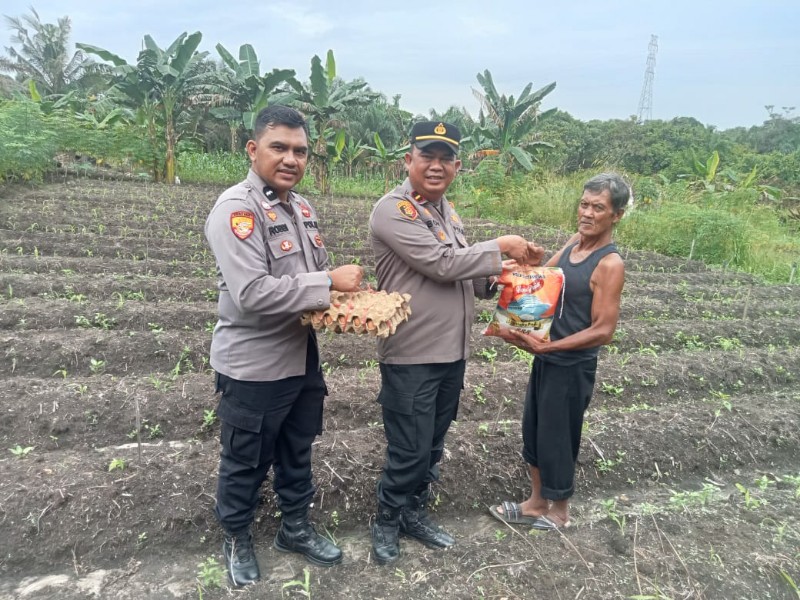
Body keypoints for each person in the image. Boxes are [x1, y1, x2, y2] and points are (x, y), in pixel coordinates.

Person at [368, 121, 544, 564]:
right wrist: (500, 245)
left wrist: (507, 277)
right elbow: (443, 264)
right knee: (408, 447)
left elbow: (468, 278)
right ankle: (387, 518)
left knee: (430, 446)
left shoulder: (449, 213)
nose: (436, 165)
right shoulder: (393, 211)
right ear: (407, 160)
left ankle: (414, 512)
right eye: (426, 155)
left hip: (451, 353)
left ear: (458, 166)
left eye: (445, 158)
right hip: (412, 353)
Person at [204, 105, 363, 586]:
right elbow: (251, 293)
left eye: (300, 150)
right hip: (254, 362)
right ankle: (236, 536)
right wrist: (328, 281)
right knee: (246, 456)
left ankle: (294, 527)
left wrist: (350, 299)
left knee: (297, 448)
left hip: (300, 354)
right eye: (279, 147)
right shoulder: (237, 210)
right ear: (253, 150)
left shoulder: (301, 208)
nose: (291, 158)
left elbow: (308, 281)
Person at [489, 172, 628, 531]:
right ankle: (536, 502)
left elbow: (603, 330)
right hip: (546, 359)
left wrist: (551, 345)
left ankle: (560, 510)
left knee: (560, 436)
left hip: (572, 366)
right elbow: (543, 279)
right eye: (584, 204)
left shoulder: (609, 265)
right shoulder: (572, 245)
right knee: (534, 430)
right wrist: (519, 273)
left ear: (617, 215)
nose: (587, 213)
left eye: (598, 208)